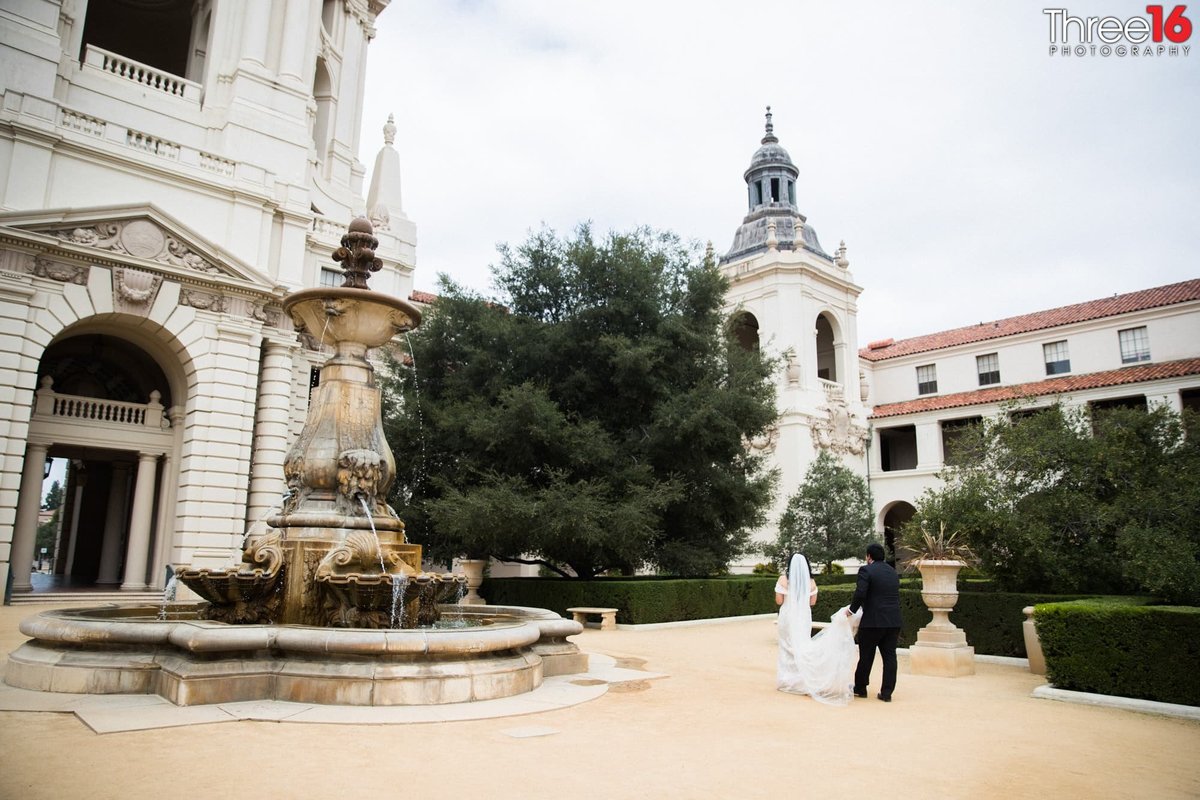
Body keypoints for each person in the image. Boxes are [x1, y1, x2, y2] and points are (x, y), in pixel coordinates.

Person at [776, 553, 862, 705]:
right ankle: (802, 678)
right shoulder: (811, 582)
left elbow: (779, 600)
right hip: (803, 617)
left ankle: (787, 680)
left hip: (788, 616)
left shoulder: (784, 580)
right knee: (801, 645)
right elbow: (812, 602)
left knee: (786, 646)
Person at [847, 542, 902, 702]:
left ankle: (861, 688)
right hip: (893, 620)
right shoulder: (892, 572)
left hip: (873, 620)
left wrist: (851, 610)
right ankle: (887, 693)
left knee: (866, 655)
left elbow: (860, 592)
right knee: (890, 657)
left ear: (869, 556)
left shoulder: (866, 570)